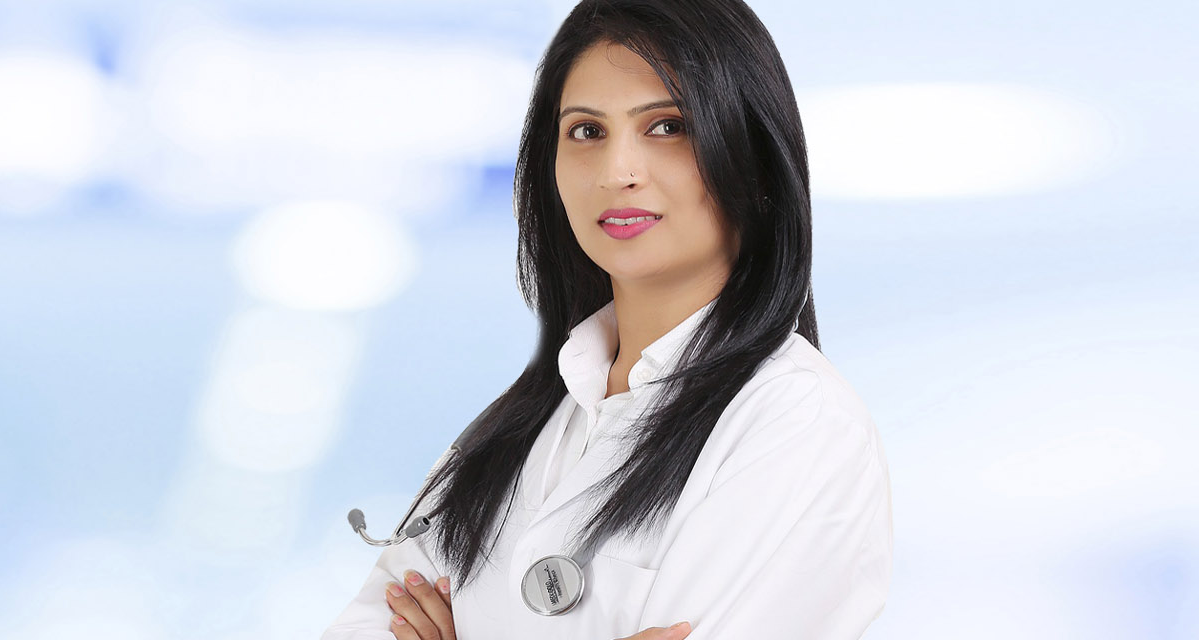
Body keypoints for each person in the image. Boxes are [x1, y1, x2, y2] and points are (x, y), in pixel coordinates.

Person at [320, 1, 892, 639]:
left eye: (668, 126)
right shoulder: (517, 428)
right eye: (586, 131)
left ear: (754, 163)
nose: (618, 172)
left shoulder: (795, 424)